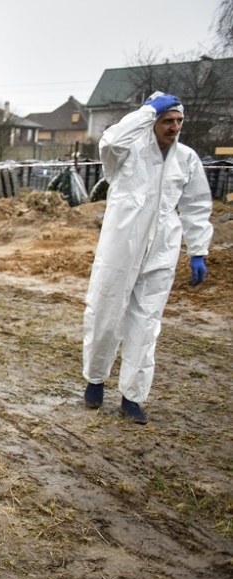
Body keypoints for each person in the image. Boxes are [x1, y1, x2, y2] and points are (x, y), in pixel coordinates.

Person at [82, 92, 213, 424]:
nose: (174, 127)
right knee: (105, 313)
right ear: (152, 121)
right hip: (120, 247)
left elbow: (197, 205)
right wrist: (146, 111)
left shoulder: (186, 159)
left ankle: (132, 397)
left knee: (146, 323)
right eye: (167, 120)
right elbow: (109, 142)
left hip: (161, 252)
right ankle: (96, 379)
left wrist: (198, 249)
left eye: (179, 121)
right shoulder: (127, 153)